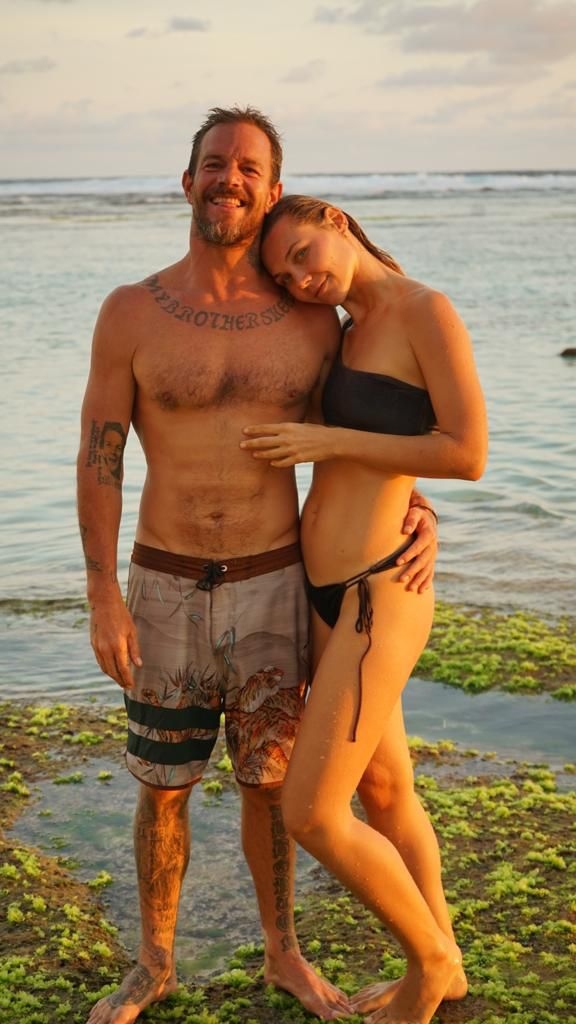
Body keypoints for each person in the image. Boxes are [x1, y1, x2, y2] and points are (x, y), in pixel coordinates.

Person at [76, 108, 439, 1024]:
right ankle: (154, 962)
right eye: (214, 162)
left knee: (272, 786)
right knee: (163, 789)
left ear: (272, 191)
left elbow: (373, 431)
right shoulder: (129, 311)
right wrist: (101, 590)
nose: (228, 177)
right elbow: (99, 454)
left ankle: (284, 953)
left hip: (277, 582)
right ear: (187, 180)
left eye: (247, 167)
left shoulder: (312, 320)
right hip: (163, 585)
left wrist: (422, 510)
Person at [240, 193, 488, 1024]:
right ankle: (449, 965)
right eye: (284, 277)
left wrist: (330, 442)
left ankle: (430, 966)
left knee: (311, 812)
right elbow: (403, 452)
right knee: (384, 789)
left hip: (380, 591)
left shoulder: (426, 310)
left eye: (302, 255)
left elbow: (468, 450)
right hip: (325, 593)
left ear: (337, 221)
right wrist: (417, 501)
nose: (300, 280)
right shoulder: (345, 328)